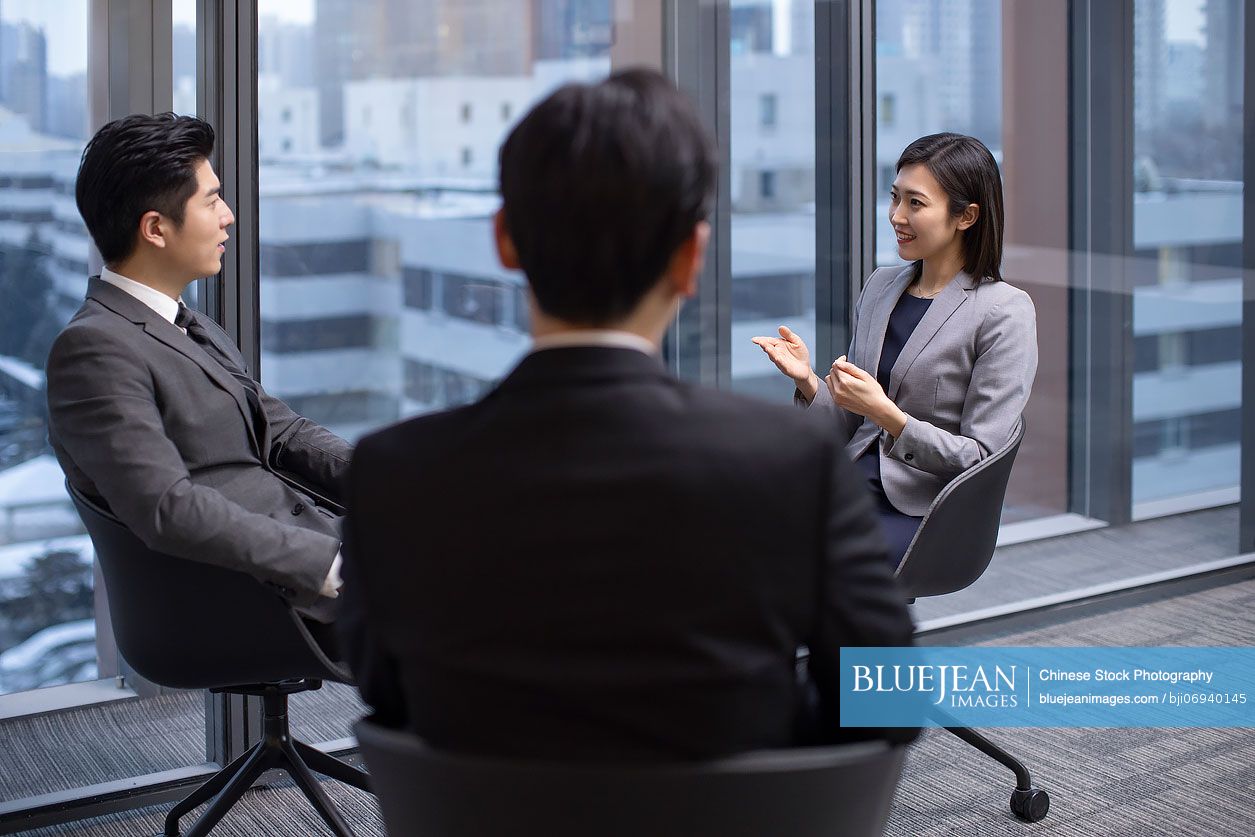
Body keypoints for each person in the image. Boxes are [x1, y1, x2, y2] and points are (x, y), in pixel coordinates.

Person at [339, 69, 915, 762]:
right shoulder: (790, 460)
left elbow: (390, 698)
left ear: (504, 241)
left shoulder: (393, 473)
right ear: (691, 258)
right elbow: (887, 702)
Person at [46, 113, 351, 628]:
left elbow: (283, 431)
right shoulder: (94, 350)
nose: (228, 215)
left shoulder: (191, 325)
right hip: (253, 594)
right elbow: (167, 508)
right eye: (211, 201)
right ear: (155, 229)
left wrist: (395, 484)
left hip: (305, 551)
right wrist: (328, 563)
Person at [753, 133, 1037, 569]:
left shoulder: (1003, 311)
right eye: (895, 198)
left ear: (966, 216)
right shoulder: (881, 286)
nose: (896, 216)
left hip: (924, 509)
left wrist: (890, 416)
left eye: (915, 204)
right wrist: (809, 382)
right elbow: (852, 421)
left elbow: (980, 458)